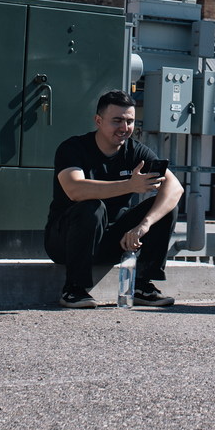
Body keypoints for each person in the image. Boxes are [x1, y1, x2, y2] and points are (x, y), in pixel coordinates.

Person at [45, 90, 184, 310]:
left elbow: (175, 188)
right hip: (66, 241)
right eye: (117, 120)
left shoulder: (136, 152)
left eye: (129, 121)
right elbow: (75, 190)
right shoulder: (73, 148)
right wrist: (130, 185)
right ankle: (74, 289)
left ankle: (142, 286)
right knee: (93, 205)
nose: (124, 128)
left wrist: (143, 226)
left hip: (115, 242)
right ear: (98, 121)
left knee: (167, 208)